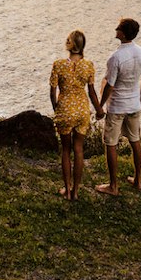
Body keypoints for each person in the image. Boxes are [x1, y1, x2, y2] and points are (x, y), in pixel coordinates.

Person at [97, 17, 141, 196]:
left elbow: (110, 85)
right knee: (135, 140)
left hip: (118, 107)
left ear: (124, 33)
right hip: (134, 104)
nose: (115, 29)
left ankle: (113, 186)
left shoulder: (116, 57)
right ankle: (138, 180)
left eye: (118, 28)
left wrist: (100, 105)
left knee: (111, 144)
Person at [45, 30, 99, 201]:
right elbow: (91, 91)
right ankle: (76, 191)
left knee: (66, 150)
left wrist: (57, 109)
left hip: (65, 109)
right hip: (82, 109)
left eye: (68, 39)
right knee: (79, 149)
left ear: (71, 45)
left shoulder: (58, 64)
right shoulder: (89, 65)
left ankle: (67, 190)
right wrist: (98, 109)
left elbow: (53, 91)